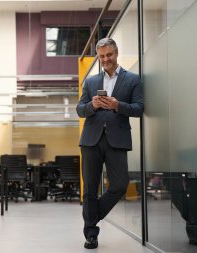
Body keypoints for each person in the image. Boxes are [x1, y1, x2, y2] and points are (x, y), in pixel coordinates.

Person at [76, 37, 144, 249]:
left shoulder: (133, 80)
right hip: (91, 140)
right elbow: (80, 109)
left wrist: (118, 105)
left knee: (120, 184)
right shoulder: (91, 82)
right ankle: (91, 234)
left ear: (116, 53)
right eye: (102, 56)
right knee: (89, 188)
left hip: (117, 139)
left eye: (109, 55)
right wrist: (92, 106)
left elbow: (139, 108)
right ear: (98, 57)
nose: (106, 59)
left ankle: (92, 216)